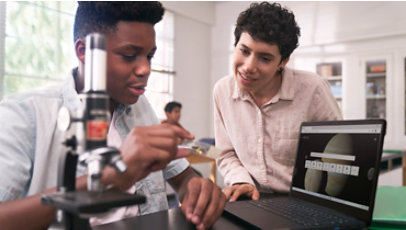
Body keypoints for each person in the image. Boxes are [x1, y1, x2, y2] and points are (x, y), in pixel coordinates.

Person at [0, 2, 225, 230]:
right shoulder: (23, 116)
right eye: (129, 55)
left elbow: (183, 179)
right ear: (84, 52)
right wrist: (105, 178)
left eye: (149, 56)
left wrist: (197, 189)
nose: (145, 69)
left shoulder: (141, 108)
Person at [213, 2, 342, 202]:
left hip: (303, 201)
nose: (248, 67)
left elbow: (338, 151)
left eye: (264, 58)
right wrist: (240, 181)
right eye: (244, 51)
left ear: (283, 61)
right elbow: (227, 153)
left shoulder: (312, 89)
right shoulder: (222, 91)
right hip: (250, 198)